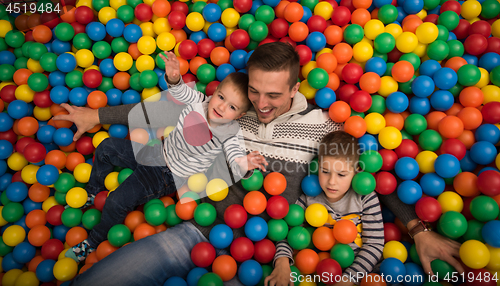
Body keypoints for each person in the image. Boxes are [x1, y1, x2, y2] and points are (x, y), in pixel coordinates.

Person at [54, 42, 462, 286]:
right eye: (254, 92)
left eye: (273, 96)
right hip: (201, 230)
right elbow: (165, 109)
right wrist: (97, 117)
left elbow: (370, 178)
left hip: (284, 252)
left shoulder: (324, 126)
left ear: (296, 89)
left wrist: (417, 228)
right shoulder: (234, 111)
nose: (261, 105)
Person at [64, 51, 267, 263]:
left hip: (166, 175)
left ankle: (92, 242)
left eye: (232, 107)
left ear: (240, 116)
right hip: (155, 151)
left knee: (116, 201)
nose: (221, 106)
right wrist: (173, 77)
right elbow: (180, 93)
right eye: (221, 97)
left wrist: (245, 163)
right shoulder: (201, 101)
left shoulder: (231, 133)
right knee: (105, 147)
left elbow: (235, 157)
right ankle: (92, 192)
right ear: (215, 92)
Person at [266, 131, 384, 286]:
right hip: (315, 273)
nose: (332, 182)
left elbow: (374, 245)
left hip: (359, 275)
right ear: (318, 166)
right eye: (325, 172)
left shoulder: (365, 198)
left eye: (341, 175)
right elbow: (286, 231)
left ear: (356, 172)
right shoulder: (310, 197)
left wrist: (349, 279)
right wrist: (282, 263)